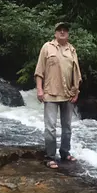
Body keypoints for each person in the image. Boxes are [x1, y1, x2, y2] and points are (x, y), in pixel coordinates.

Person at [34, 22, 82, 169]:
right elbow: (39, 71)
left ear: (68, 34)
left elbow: (77, 73)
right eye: (59, 30)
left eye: (65, 30)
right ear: (55, 33)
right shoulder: (47, 47)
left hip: (68, 94)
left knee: (67, 127)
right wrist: (39, 89)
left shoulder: (72, 50)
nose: (62, 32)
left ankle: (65, 152)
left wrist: (76, 91)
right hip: (50, 94)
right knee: (50, 128)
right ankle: (49, 157)